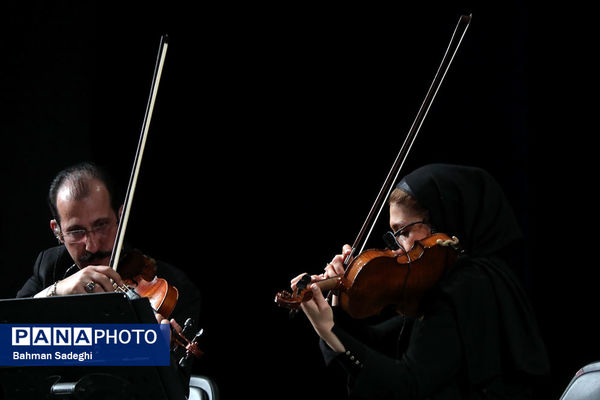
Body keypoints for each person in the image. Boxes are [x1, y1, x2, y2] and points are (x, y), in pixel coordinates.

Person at [291, 163, 550, 399]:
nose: (399, 249)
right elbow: (380, 342)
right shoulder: (474, 277)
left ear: (443, 219)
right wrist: (337, 298)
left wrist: (329, 330)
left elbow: (409, 387)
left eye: (403, 232)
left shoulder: (465, 286)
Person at [16, 162, 202, 386]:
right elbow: (9, 340)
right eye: (76, 231)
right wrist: (57, 291)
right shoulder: (50, 265)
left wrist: (151, 351)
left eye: (102, 225)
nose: (93, 246)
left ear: (120, 217)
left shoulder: (174, 288)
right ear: (57, 230)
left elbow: (175, 389)